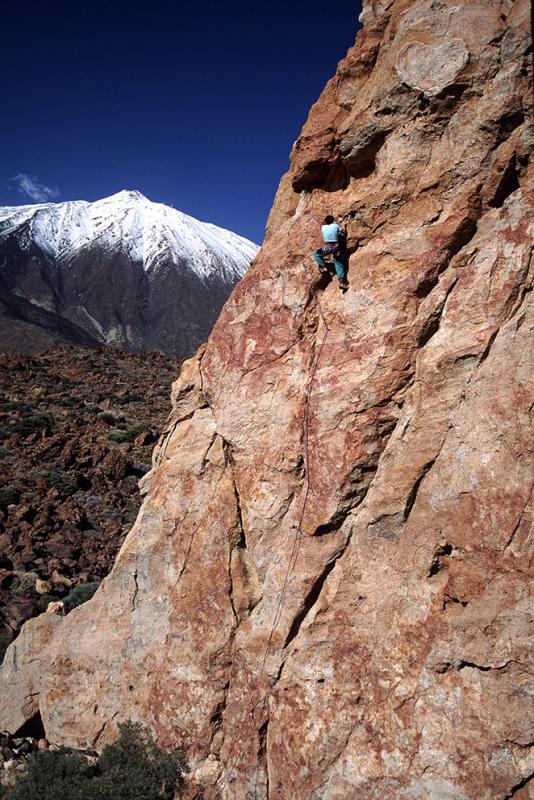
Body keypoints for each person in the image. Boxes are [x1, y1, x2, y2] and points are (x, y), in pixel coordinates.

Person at [313, 215, 349, 292]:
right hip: (336, 247)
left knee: (317, 254)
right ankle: (342, 282)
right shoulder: (336, 226)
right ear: (333, 220)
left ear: (326, 221)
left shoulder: (323, 227)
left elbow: (324, 224)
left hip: (327, 248)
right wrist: (343, 226)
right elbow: (343, 232)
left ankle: (323, 267)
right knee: (338, 263)